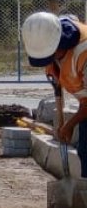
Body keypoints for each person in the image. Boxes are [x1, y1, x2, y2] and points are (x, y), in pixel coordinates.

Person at [22, 11, 87, 174]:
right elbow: (57, 84)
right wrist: (61, 122)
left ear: (58, 45)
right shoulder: (46, 34)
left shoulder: (84, 52)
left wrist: (69, 125)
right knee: (84, 150)